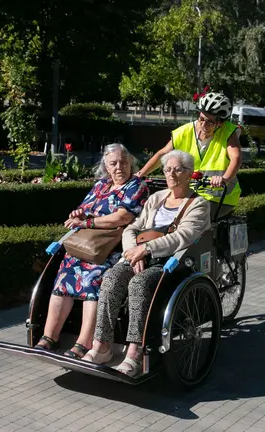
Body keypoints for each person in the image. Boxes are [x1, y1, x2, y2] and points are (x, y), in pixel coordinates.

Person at [83, 150, 211, 377]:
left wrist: (147, 249)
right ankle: (101, 346)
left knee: (139, 285)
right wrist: (133, 251)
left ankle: (135, 352)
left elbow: (183, 236)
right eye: (167, 169)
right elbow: (133, 227)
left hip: (171, 260)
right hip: (139, 254)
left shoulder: (198, 204)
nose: (171, 173)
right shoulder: (156, 198)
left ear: (190, 173)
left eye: (178, 169)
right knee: (111, 278)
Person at [35, 143, 149, 359]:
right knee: (64, 276)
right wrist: (78, 214)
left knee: (92, 279)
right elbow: (84, 210)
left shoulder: (137, 186)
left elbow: (122, 218)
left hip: (110, 248)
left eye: (123, 162)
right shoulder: (101, 185)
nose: (119, 167)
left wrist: (88, 223)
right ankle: (49, 337)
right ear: (106, 166)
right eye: (113, 163)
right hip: (86, 245)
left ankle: (84, 342)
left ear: (130, 163)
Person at [135, 91, 241, 219]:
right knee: (156, 213)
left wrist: (224, 179)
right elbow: (162, 154)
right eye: (201, 118)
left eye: (210, 122)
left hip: (219, 199)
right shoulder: (185, 131)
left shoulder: (228, 132)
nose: (203, 124)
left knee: (185, 218)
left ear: (220, 123)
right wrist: (140, 175)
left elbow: (236, 158)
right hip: (188, 193)